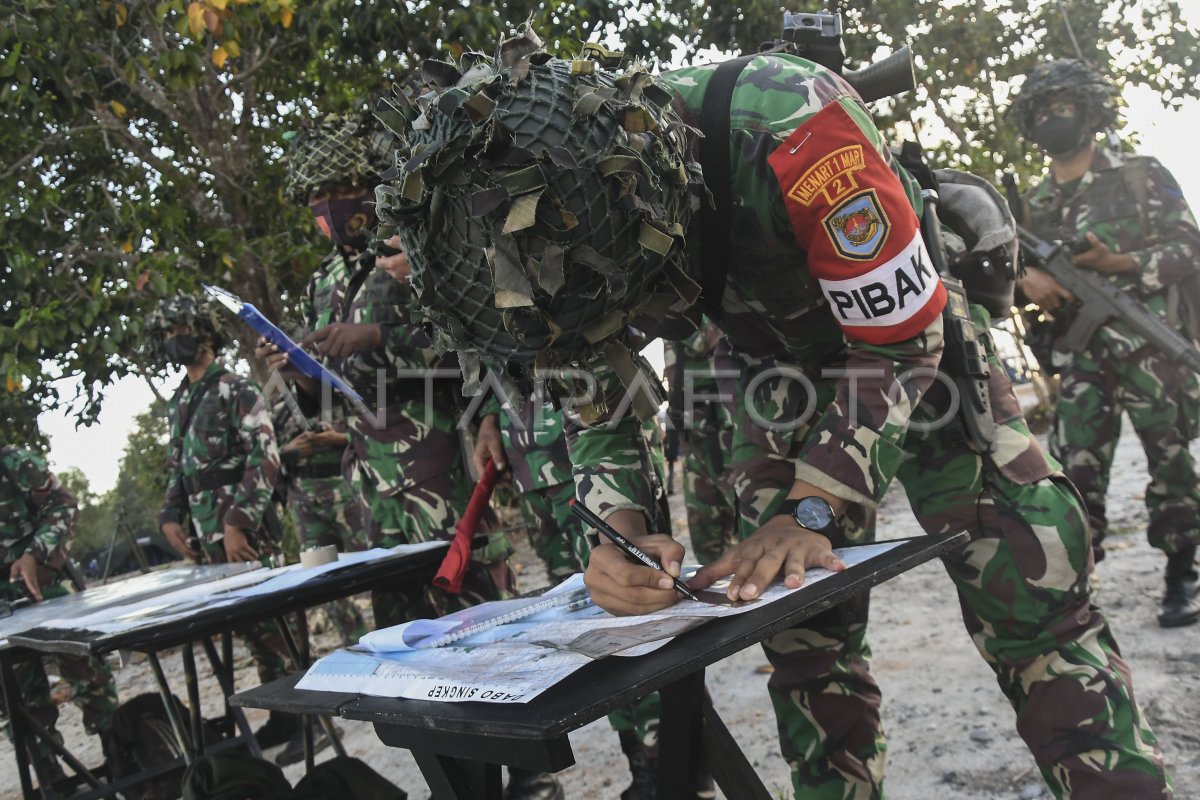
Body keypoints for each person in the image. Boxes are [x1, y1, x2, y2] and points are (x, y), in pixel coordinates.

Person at [375, 31, 1172, 799]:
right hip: (767, 371)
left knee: (1033, 603)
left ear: (637, 195)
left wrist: (813, 505)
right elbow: (599, 399)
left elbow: (901, 343)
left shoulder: (795, 126)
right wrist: (617, 530)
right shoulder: (514, 251)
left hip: (911, 355)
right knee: (800, 636)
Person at [273, 112, 559, 799]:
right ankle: (458, 780)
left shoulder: (412, 252)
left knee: (478, 617)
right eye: (316, 204)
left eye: (336, 195)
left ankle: (529, 771)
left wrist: (377, 335)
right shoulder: (322, 283)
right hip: (371, 486)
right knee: (407, 639)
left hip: (437, 458)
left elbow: (466, 343)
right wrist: (298, 375)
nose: (327, 213)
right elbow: (328, 391)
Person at [1011, 58, 1200, 629]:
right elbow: (1000, 267)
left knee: (1171, 464)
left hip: (1151, 351)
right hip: (1081, 359)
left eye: (1062, 108)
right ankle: (1073, 588)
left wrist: (1121, 263)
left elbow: (1188, 247)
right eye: (1041, 111)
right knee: (1074, 473)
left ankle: (1181, 574)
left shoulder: (1140, 174)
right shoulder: (1032, 204)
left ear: (1091, 110)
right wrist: (1027, 280)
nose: (1051, 118)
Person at [146, 295, 307, 758]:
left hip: (243, 530)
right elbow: (177, 468)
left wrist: (238, 522)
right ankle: (281, 715)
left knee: (272, 621)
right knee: (249, 628)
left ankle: (305, 720)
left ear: (206, 334)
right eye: (167, 335)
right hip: (204, 533)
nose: (174, 341)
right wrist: (168, 517)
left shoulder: (234, 388)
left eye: (181, 331)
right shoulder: (181, 400)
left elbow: (267, 455)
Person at [0, 445, 119, 778]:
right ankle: (50, 775)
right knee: (17, 695)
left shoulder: (12, 462)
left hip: (47, 587)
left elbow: (64, 506)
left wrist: (34, 555)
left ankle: (121, 755)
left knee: (88, 672)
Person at [272, 399, 368, 645]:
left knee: (375, 562)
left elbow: (376, 432)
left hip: (350, 491)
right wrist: (289, 450)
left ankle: (395, 631)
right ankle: (356, 642)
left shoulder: (343, 396)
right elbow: (263, 457)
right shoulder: (278, 411)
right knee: (323, 575)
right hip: (304, 501)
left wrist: (338, 438)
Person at [664, 323, 739, 563]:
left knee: (749, 520)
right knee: (704, 531)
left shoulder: (697, 300)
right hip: (692, 432)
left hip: (724, 431)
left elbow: (702, 339)